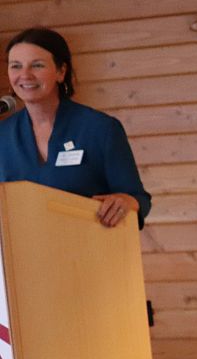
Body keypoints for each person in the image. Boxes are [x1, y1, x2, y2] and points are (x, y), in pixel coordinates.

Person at [1, 27, 151, 227]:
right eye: (16, 66)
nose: (25, 75)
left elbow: (139, 199)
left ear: (61, 71)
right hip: (22, 245)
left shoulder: (101, 129)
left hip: (88, 243)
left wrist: (125, 201)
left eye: (37, 65)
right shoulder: (3, 135)